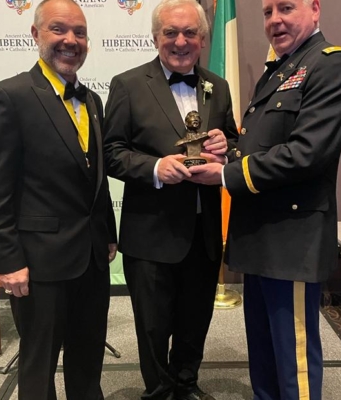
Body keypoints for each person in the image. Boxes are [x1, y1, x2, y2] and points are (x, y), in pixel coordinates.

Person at [188, 0, 341, 399]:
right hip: (259, 237)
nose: (275, 20)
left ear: (315, 9)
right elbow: (260, 146)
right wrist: (228, 150)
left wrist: (227, 174)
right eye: (268, 12)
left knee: (293, 360)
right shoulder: (279, 71)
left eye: (286, 8)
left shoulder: (330, 65)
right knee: (263, 356)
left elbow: (307, 154)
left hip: (291, 240)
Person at [0, 0, 117, 398]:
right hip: (37, 264)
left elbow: (95, 178)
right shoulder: (8, 96)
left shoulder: (92, 100)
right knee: (39, 366)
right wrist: (8, 260)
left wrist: (107, 233)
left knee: (88, 361)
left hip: (90, 258)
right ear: (35, 34)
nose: (71, 40)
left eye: (80, 32)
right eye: (59, 29)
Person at [103, 0, 238, 399]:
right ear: (156, 36)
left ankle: (186, 384)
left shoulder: (219, 85)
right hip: (151, 234)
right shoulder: (127, 84)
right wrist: (154, 169)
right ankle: (159, 390)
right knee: (153, 325)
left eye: (190, 33)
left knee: (196, 319)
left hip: (205, 231)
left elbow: (235, 141)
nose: (180, 42)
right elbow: (111, 152)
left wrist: (226, 145)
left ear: (202, 38)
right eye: (170, 33)